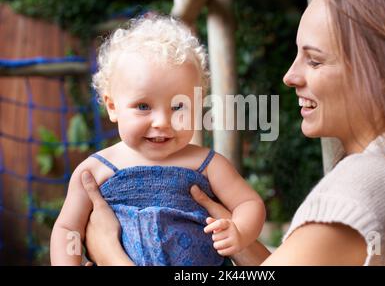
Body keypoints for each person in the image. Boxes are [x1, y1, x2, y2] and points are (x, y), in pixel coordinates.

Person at [80, 0, 385, 266]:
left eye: (315, 59)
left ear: (381, 71)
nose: (290, 76)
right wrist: (237, 239)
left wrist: (110, 253)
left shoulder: (360, 191)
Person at [50, 15, 266, 266]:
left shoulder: (207, 163)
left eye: (178, 106)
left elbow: (249, 203)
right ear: (112, 106)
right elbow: (67, 229)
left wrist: (239, 231)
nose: (162, 121)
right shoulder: (94, 171)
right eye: (143, 106)